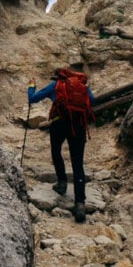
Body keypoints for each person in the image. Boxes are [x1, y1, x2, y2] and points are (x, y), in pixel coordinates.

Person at [28, 70, 95, 223]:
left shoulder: (55, 85)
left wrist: (31, 86)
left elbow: (32, 99)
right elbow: (92, 101)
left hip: (59, 123)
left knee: (56, 151)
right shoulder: (83, 86)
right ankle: (80, 204)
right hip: (78, 126)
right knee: (78, 164)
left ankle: (62, 183)